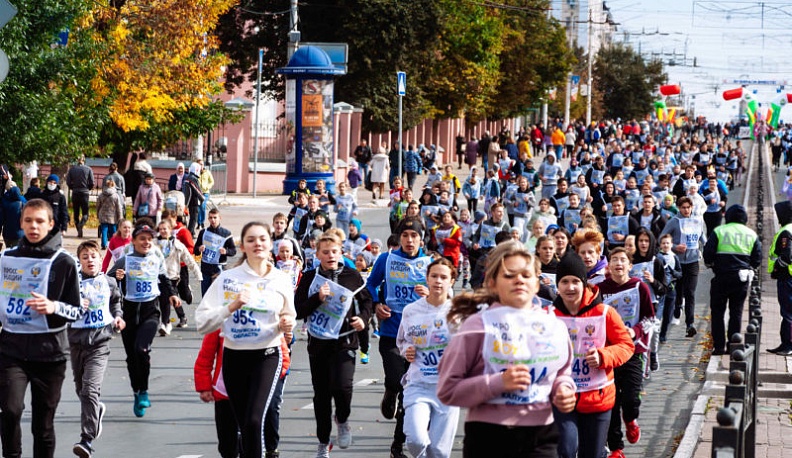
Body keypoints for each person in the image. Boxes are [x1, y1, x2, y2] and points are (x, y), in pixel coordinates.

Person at [437, 242, 577, 458]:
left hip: (541, 436)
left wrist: (564, 390)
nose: (519, 280)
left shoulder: (554, 325)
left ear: (537, 283)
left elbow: (562, 374)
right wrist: (498, 383)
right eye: (510, 275)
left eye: (526, 275)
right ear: (492, 283)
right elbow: (448, 390)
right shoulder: (477, 326)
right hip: (490, 437)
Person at [196, 222, 296, 458]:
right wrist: (232, 306)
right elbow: (202, 322)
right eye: (251, 240)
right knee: (244, 425)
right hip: (234, 356)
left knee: (253, 421)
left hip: (267, 355)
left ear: (270, 244)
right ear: (242, 246)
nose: (257, 244)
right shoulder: (227, 279)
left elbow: (289, 313)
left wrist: (287, 323)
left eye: (262, 239)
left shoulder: (281, 279)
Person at [0, 198, 79, 458]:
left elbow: (77, 310)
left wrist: (53, 306)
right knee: (10, 411)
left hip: (49, 354)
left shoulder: (64, 262)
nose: (33, 226)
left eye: (40, 221)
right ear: (21, 223)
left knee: (42, 426)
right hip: (11, 350)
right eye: (28, 220)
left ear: (51, 224)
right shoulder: (6, 258)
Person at [295, 232, 373, 456]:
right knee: (321, 396)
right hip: (318, 344)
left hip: (345, 341)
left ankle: (343, 418)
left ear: (342, 253)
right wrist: (316, 298)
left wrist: (364, 319)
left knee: (342, 387)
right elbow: (298, 310)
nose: (330, 255)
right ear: (317, 254)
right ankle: (322, 442)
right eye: (325, 252)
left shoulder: (352, 276)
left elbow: (366, 300)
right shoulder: (310, 278)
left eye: (334, 252)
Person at [551, 253, 635, 458]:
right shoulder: (548, 315)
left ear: (584, 283)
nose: (570, 287)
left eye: (575, 281)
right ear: (557, 286)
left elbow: (626, 345)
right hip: (562, 398)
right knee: (565, 450)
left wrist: (604, 356)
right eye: (564, 282)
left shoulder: (604, 312)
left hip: (597, 397)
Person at [366, 217, 433, 458]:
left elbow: (443, 295)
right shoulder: (386, 259)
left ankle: (397, 445)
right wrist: (377, 304)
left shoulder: (430, 263)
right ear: (399, 238)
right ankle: (389, 390)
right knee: (396, 381)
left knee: (410, 392)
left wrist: (431, 293)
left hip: (420, 337)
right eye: (405, 235)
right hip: (391, 332)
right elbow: (371, 285)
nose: (409, 240)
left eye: (414, 236)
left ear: (421, 238)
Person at [107, 223, 181, 417]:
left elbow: (164, 280)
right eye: (142, 238)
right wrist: (118, 277)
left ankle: (145, 390)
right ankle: (137, 392)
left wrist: (172, 294)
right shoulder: (125, 259)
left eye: (149, 238)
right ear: (134, 241)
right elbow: (109, 279)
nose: (146, 242)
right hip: (129, 312)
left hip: (150, 311)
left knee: (142, 349)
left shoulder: (156, 259)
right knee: (132, 357)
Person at [397, 258, 460, 458]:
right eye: (434, 276)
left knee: (439, 451)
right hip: (418, 384)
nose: (438, 281)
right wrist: (407, 349)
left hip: (448, 388)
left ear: (451, 281)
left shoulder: (459, 313)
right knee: (416, 441)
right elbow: (402, 340)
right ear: (427, 279)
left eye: (444, 277)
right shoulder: (411, 311)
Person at [598, 248, 655, 457]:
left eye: (623, 260)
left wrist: (635, 330)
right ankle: (616, 448)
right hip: (609, 352)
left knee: (630, 399)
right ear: (608, 265)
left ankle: (631, 419)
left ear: (630, 266)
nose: (618, 264)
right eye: (614, 260)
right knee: (610, 401)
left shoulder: (640, 287)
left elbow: (650, 319)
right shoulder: (600, 289)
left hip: (634, 349)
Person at [70, 240, 125, 458]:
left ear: (100, 259)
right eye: (85, 257)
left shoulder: (108, 282)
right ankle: (97, 410)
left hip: (99, 343)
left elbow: (116, 303)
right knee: (81, 390)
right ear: (79, 261)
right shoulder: (71, 284)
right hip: (75, 342)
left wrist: (119, 318)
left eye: (93, 256)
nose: (90, 260)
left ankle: (87, 439)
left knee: (90, 389)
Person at [703, 205, 761, 355]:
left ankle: (719, 346)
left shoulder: (719, 231)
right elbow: (757, 258)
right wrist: (750, 267)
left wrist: (712, 265)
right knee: (736, 312)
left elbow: (708, 253)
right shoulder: (751, 234)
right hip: (741, 278)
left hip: (721, 277)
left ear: (727, 216)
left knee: (717, 312)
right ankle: (733, 345)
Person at [659, 196, 706, 338]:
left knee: (690, 293)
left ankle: (690, 325)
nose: (686, 210)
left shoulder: (698, 221)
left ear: (692, 207)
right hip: (677, 263)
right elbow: (663, 238)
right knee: (678, 293)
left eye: (688, 207)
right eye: (683, 207)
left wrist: (708, 250)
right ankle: (678, 306)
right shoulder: (674, 221)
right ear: (679, 208)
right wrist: (674, 247)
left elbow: (703, 238)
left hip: (693, 261)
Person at [156, 219, 202, 336]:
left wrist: (198, 274)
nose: (163, 231)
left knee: (167, 299)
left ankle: (165, 323)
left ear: (170, 230)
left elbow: (189, 260)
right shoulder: (154, 244)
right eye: (160, 229)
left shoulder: (177, 245)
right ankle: (166, 322)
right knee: (162, 300)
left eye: (165, 229)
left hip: (172, 276)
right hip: (157, 277)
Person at [768, 201, 792, 356]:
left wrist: (776, 267)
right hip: (787, 277)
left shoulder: (786, 232)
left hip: (787, 277)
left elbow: (787, 256)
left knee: (788, 312)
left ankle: (788, 345)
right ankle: (784, 343)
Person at [195, 208, 237, 295]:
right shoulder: (203, 232)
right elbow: (195, 249)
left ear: (220, 218)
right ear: (208, 219)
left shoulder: (226, 234)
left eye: (215, 217)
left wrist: (226, 251)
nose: (213, 220)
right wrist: (199, 249)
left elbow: (233, 251)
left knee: (219, 295)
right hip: (206, 267)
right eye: (210, 218)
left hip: (219, 268)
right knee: (206, 295)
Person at [66, 155, 95, 238]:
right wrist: (87, 189)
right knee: (85, 212)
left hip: (75, 192)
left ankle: (78, 228)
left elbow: (68, 182)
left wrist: (73, 188)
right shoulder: (88, 169)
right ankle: (81, 224)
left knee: (76, 212)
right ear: (84, 159)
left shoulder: (72, 169)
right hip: (85, 193)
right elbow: (92, 182)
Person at [96, 179, 124, 250]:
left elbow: (98, 205)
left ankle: (104, 244)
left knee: (104, 230)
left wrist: (97, 213)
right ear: (113, 186)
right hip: (113, 216)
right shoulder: (115, 196)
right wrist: (120, 217)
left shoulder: (101, 195)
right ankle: (114, 244)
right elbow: (119, 207)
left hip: (103, 215)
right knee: (113, 231)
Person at [0, 178, 27, 248]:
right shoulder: (23, 202)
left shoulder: (4, 201)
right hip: (20, 233)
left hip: (7, 234)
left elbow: (1, 220)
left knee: (9, 251)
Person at [183, 163, 205, 236]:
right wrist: (202, 197)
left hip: (190, 201)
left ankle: (191, 232)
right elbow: (196, 190)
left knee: (193, 218)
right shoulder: (192, 179)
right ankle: (189, 234)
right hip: (194, 201)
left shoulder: (188, 177)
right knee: (193, 219)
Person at [197, 159, 214, 230]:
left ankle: (202, 221)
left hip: (205, 193)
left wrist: (207, 187)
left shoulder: (207, 172)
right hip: (197, 192)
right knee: (198, 208)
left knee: (203, 206)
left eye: (202, 164)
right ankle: (198, 223)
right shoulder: (196, 172)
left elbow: (212, 181)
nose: (201, 166)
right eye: (199, 164)